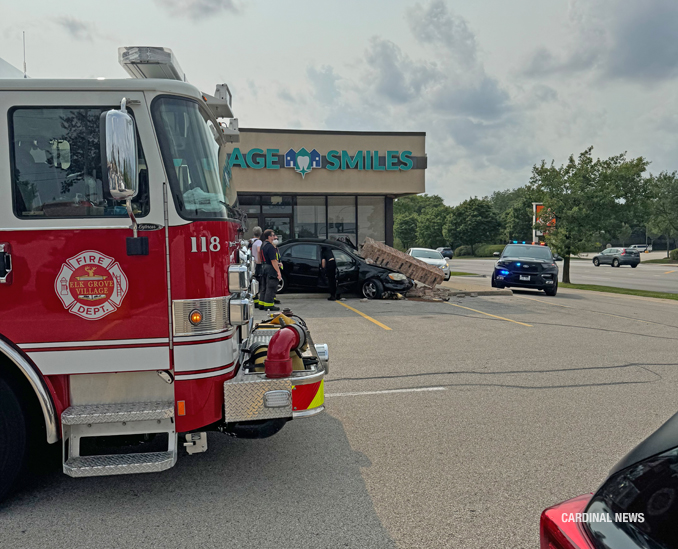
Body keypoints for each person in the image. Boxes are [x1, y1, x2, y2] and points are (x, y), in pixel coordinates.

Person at [260, 229, 281, 312]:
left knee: (264, 287)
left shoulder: (263, 245)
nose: (274, 237)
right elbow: (273, 260)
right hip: (270, 268)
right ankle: (269, 304)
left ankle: (262, 303)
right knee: (271, 287)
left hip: (264, 266)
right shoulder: (270, 247)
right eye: (272, 235)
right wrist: (278, 272)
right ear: (269, 236)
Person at [250, 227, 263, 309]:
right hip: (257, 264)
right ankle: (258, 301)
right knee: (259, 282)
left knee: (252, 282)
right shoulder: (259, 242)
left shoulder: (250, 241)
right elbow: (259, 250)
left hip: (251, 264)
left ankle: (254, 299)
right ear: (260, 233)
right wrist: (260, 260)